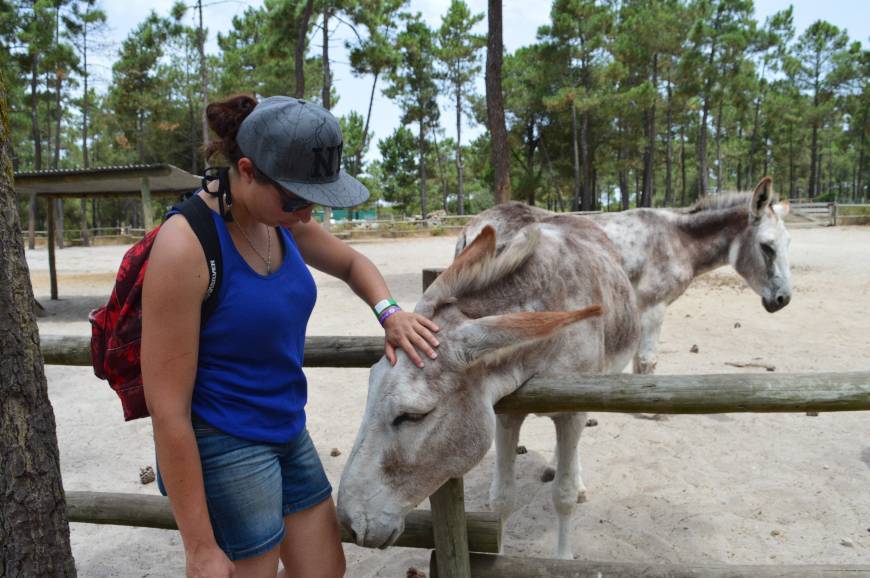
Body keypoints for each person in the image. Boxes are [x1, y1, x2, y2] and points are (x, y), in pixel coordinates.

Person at [141, 95, 440, 578]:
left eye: (314, 200)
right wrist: (199, 547)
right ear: (247, 170)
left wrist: (389, 313)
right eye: (298, 199)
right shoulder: (186, 246)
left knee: (324, 567)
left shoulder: (279, 221)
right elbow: (167, 410)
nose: (307, 214)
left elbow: (351, 262)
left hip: (287, 428)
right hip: (224, 439)